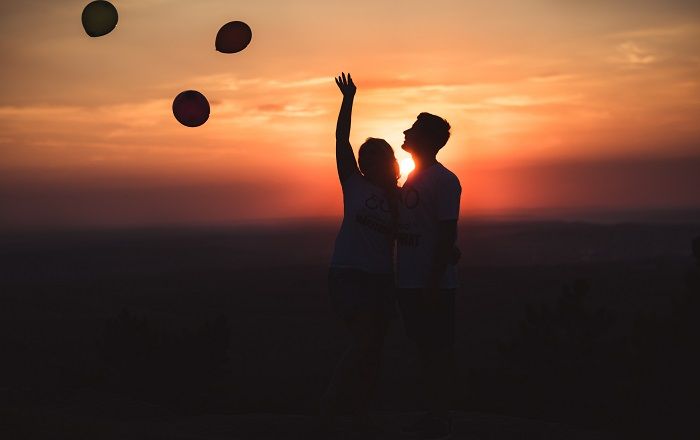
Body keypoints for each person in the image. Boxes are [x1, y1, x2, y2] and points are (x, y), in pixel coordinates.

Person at [320, 73, 400, 437]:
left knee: (373, 349)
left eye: (376, 156)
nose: (368, 161)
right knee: (363, 342)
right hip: (349, 274)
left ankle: (359, 412)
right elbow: (341, 140)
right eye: (365, 157)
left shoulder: (401, 198)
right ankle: (332, 408)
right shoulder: (352, 183)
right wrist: (348, 99)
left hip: (381, 280)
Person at [396, 112, 461, 439]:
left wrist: (433, 284)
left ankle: (439, 418)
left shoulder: (444, 181)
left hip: (430, 284)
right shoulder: (414, 178)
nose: (406, 131)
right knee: (422, 350)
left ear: (429, 140)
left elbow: (447, 233)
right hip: (409, 281)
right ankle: (432, 415)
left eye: (414, 130)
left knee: (435, 351)